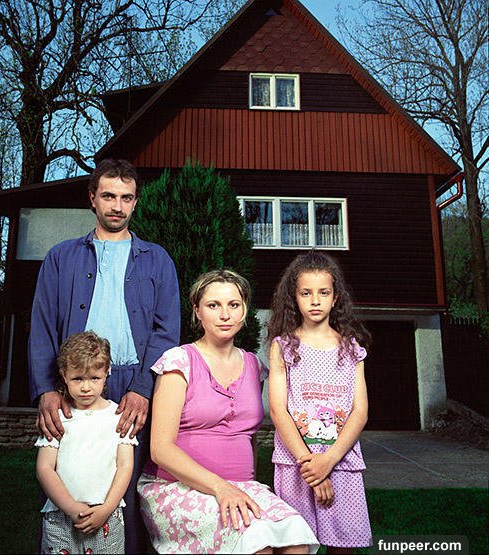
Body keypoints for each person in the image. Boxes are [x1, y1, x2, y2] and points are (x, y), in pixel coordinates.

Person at [28, 158, 181, 553]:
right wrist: (47, 389)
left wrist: (144, 389)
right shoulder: (61, 258)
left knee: (127, 484)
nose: (117, 206)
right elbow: (42, 326)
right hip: (74, 384)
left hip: (133, 383)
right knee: (66, 475)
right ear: (92, 198)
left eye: (126, 198)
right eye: (109, 196)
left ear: (135, 202)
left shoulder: (158, 260)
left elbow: (167, 332)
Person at [137, 269, 319, 554]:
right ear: (197, 311)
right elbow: (161, 450)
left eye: (234, 305)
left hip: (241, 486)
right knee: (257, 545)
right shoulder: (178, 361)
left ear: (244, 310)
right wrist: (221, 487)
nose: (225, 315)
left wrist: (244, 485)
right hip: (175, 488)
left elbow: (248, 437)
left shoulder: (254, 366)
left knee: (296, 541)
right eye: (213, 305)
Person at [267, 250, 373, 553]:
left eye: (323, 292)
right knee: (296, 546)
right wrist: (311, 465)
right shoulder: (283, 347)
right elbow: (278, 410)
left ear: (335, 297)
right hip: (295, 464)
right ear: (294, 297)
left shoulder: (351, 349)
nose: (315, 300)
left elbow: (360, 412)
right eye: (306, 293)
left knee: (344, 546)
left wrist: (328, 460)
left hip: (342, 462)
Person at [35, 331, 138, 554]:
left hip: (107, 516)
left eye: (94, 378)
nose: (85, 387)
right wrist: (71, 508)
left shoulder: (120, 417)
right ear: (63, 375)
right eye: (77, 378)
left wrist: (106, 509)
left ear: (107, 372)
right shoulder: (57, 417)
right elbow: (44, 468)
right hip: (61, 517)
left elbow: (125, 466)